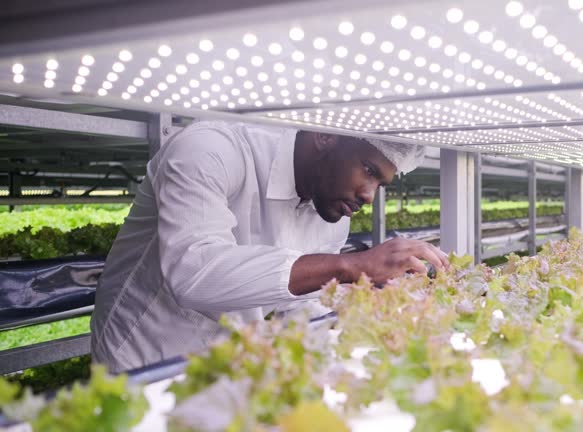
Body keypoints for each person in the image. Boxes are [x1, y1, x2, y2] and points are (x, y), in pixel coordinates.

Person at [90, 121, 448, 372]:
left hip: (230, 363)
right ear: (325, 135)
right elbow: (194, 272)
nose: (369, 196)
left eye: (381, 183)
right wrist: (350, 267)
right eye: (369, 170)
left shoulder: (332, 207)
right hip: (145, 360)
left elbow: (301, 306)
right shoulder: (211, 149)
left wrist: (365, 306)